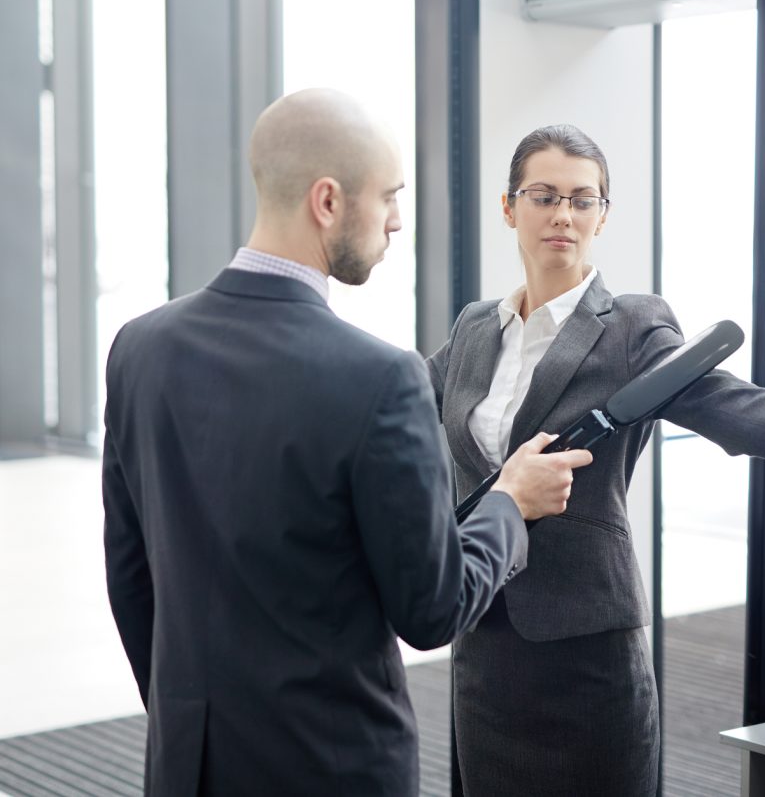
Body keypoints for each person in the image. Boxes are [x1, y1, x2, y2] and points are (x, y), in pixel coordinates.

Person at [101, 90, 593, 797]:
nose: (397, 221)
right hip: (332, 768)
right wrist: (511, 503)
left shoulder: (140, 348)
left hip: (188, 762)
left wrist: (188, 718)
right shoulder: (379, 377)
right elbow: (432, 609)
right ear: (327, 202)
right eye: (388, 197)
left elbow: (130, 574)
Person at [426, 123, 765, 797]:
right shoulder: (475, 328)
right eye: (543, 195)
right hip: (485, 640)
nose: (563, 214)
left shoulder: (629, 328)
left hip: (588, 645)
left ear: (603, 215)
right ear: (510, 207)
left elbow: (736, 406)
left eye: (583, 199)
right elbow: (401, 415)